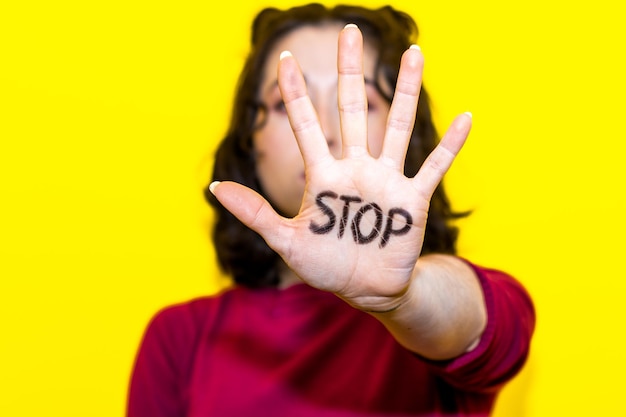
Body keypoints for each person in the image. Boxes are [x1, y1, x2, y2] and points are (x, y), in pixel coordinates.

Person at [127, 3, 535, 416]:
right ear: (251, 142)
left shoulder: (441, 317)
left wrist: (402, 297)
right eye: (288, 102)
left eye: (362, 99)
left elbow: (497, 332)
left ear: (406, 133)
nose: (325, 128)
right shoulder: (180, 338)